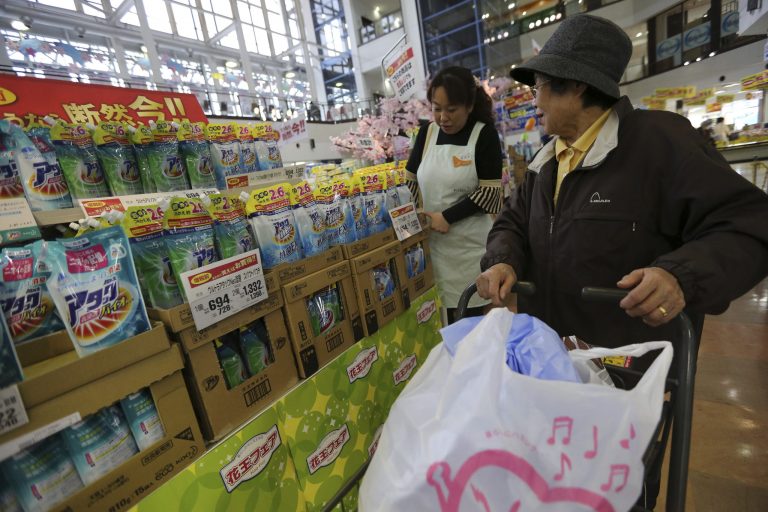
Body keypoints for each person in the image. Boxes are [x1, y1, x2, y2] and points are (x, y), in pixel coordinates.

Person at [476, 15, 768, 505]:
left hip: (626, 381)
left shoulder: (661, 145)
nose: (534, 98)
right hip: (551, 374)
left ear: (578, 87)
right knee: (553, 488)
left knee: (618, 493)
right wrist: (504, 259)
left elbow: (749, 223)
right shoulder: (548, 162)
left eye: (543, 86)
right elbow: (511, 222)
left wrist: (678, 275)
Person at [406, 66, 503, 323]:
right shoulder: (427, 133)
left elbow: (491, 194)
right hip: (432, 250)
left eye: (451, 110)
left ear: (469, 105)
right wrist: (412, 213)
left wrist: (446, 216)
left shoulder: (484, 135)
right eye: (437, 109)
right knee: (434, 322)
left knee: (467, 325)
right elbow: (411, 179)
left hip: (468, 251)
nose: (443, 118)